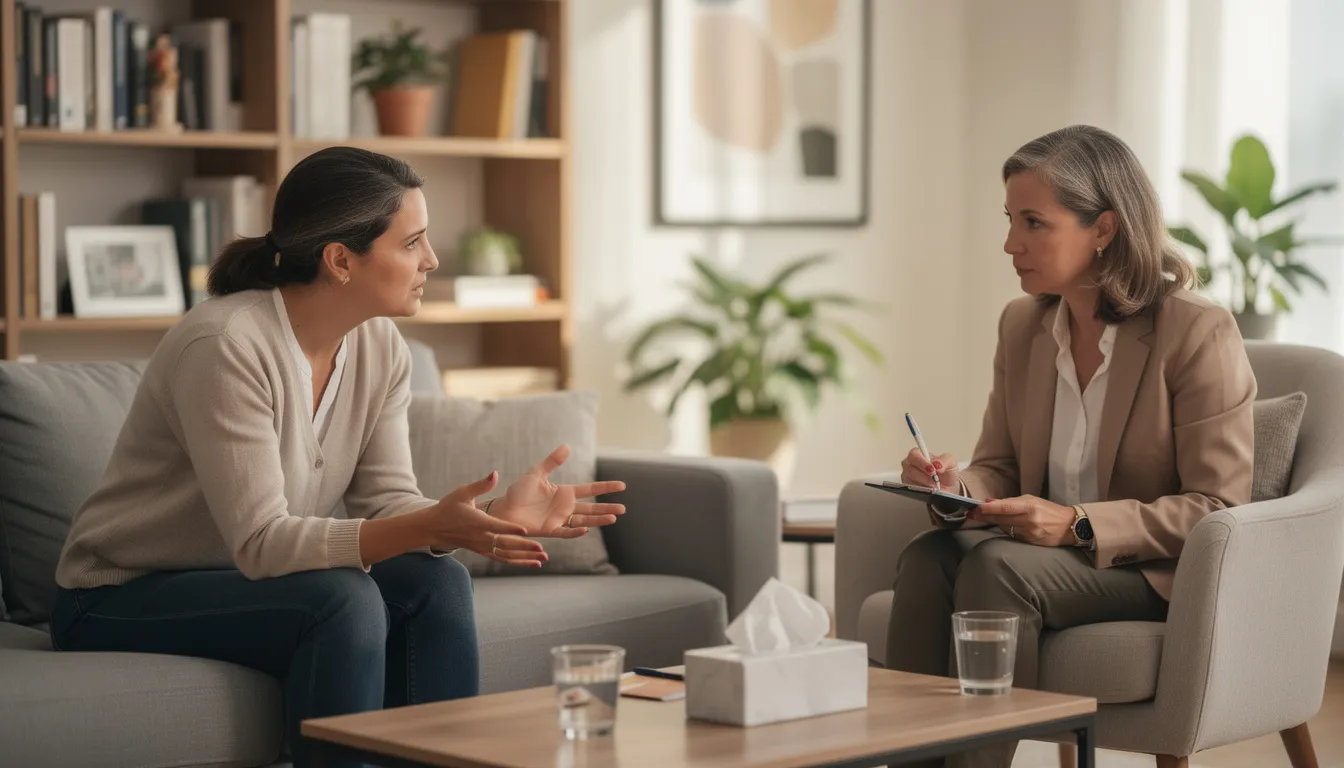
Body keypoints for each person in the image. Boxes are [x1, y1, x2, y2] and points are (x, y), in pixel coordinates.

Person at [48, 147, 627, 768]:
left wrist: (484, 517)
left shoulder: (381, 348)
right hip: (118, 596)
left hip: (244, 581)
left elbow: (389, 504)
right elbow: (263, 543)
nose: (431, 260)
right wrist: (432, 524)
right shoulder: (226, 345)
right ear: (340, 260)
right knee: (342, 599)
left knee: (436, 581)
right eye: (412, 244)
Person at [888, 125, 1255, 768]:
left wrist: (1077, 524)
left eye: (1034, 222)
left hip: (1147, 569)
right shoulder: (1023, 325)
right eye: (1010, 219)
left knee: (994, 568)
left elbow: (1216, 505)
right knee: (927, 558)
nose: (1010, 243)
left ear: (1104, 229)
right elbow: (998, 464)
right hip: (1040, 553)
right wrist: (953, 485)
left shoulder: (1196, 331)